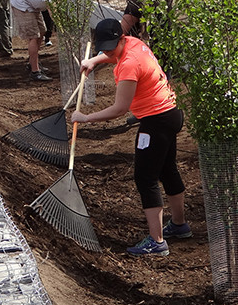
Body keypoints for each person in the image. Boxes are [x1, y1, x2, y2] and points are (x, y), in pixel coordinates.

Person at [71, 18, 190, 257]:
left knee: (145, 177)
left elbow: (119, 109)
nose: (107, 51)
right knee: (167, 170)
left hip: (156, 121)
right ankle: (179, 225)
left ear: (121, 38)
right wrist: (94, 60)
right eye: (102, 48)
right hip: (170, 113)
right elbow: (113, 54)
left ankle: (157, 242)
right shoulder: (134, 43)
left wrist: (85, 118)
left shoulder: (128, 64)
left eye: (110, 47)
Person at [10, 0, 51, 81]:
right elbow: (49, 4)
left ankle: (32, 62)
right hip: (22, 4)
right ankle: (35, 71)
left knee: (42, 31)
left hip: (32, 6)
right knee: (33, 36)